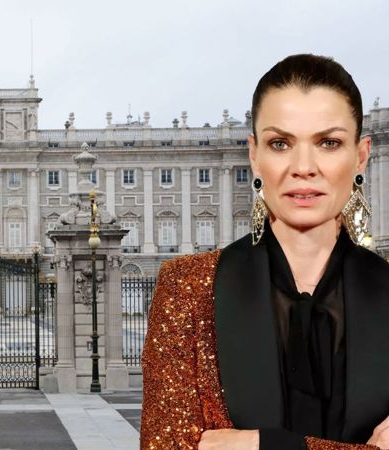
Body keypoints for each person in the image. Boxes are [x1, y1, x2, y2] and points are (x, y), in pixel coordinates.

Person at [140, 54, 389, 449]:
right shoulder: (187, 288)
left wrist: (263, 444)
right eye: (280, 143)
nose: (303, 167)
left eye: (328, 142)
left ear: (361, 155)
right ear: (254, 155)